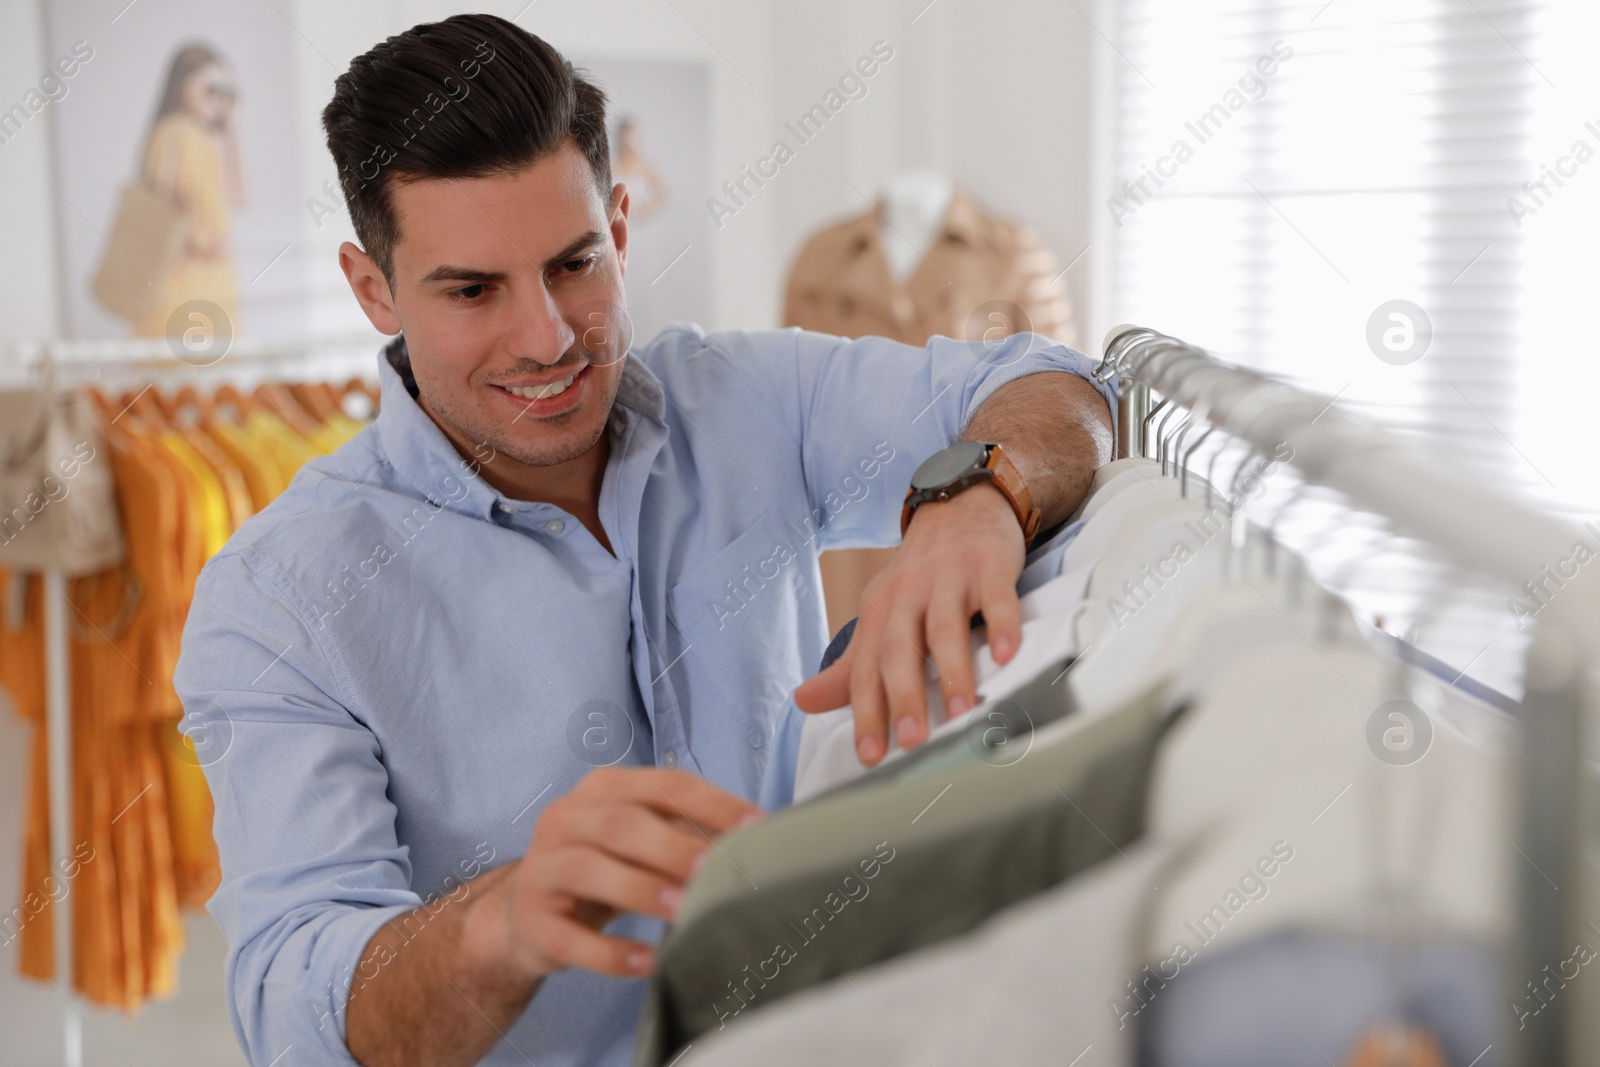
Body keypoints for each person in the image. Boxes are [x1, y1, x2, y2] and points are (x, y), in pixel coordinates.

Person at [173, 13, 1114, 1067]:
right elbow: (296, 1009)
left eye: (573, 263)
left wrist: (973, 496)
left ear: (619, 227)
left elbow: (1062, 385)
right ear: (374, 289)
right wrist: (505, 919)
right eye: (474, 290)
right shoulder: (278, 598)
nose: (547, 337)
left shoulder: (749, 400)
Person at [125, 43, 245, 338]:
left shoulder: (191, 135)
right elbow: (194, 224)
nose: (218, 99)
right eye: (210, 88)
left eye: (225, 91)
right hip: (187, 283)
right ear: (183, 84)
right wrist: (208, 238)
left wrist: (230, 131)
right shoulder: (179, 135)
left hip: (200, 283)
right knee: (190, 377)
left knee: (191, 378)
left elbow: (237, 199)